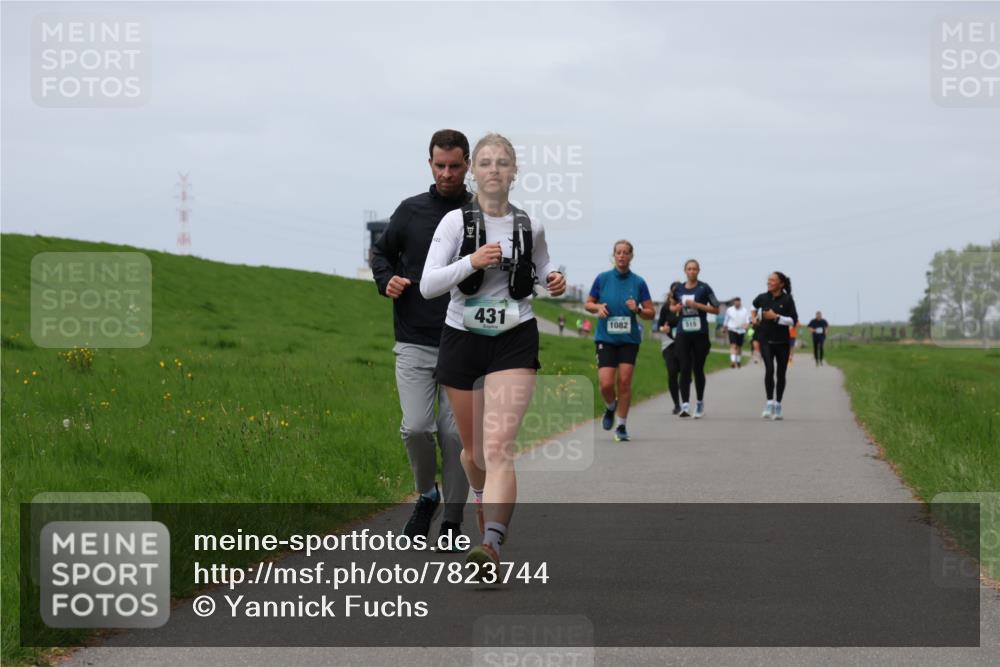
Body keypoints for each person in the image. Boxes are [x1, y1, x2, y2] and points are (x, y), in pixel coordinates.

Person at [420, 132, 566, 576]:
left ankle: (491, 544)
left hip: (514, 336)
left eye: (502, 163)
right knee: (473, 454)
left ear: (513, 172)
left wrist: (554, 279)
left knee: (499, 447)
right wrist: (473, 262)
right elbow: (428, 285)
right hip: (461, 337)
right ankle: (482, 499)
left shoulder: (530, 225)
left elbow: (543, 268)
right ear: (474, 170)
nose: (494, 170)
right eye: (485, 162)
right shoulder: (453, 224)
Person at [371, 129, 472, 549]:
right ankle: (427, 495)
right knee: (415, 428)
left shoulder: (481, 213)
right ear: (429, 164)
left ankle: (451, 521)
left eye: (454, 165)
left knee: (454, 436)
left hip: (465, 342)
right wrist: (386, 279)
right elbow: (381, 253)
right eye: (439, 165)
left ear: (467, 164)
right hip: (413, 338)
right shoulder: (410, 211)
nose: (447, 173)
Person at [585, 240, 654, 442]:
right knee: (606, 384)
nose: (622, 256)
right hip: (605, 338)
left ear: (631, 256)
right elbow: (588, 303)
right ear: (613, 255)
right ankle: (610, 406)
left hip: (629, 340)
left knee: (624, 383)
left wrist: (638, 309)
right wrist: (597, 308)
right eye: (618, 252)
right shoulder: (603, 279)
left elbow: (651, 313)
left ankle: (621, 426)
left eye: (626, 253)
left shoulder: (639, 282)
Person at [670, 259, 720, 418]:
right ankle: (685, 405)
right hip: (683, 333)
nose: (691, 271)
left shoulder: (704, 288)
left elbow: (716, 309)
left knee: (697, 369)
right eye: (689, 269)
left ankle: (699, 403)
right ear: (685, 271)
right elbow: (671, 305)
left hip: (700, 333)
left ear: (699, 271)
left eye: (694, 269)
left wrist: (698, 306)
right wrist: (676, 308)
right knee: (684, 368)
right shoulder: (678, 288)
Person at [752, 272, 799, 420]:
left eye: (772, 280)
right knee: (769, 369)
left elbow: (793, 320)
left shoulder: (787, 299)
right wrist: (754, 318)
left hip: (782, 342)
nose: (769, 282)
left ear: (781, 284)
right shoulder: (762, 297)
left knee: (781, 374)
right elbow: (754, 307)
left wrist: (776, 317)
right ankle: (769, 403)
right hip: (765, 340)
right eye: (768, 280)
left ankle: (778, 405)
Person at [657, 283, 683, 415]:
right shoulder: (665, 308)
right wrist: (664, 329)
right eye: (675, 292)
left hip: (684, 344)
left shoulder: (686, 306)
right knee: (672, 372)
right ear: (670, 293)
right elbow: (659, 325)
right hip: (668, 344)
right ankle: (677, 404)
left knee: (684, 373)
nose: (677, 294)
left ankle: (685, 402)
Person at [722, 297, 750, 368]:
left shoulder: (744, 310)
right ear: (734, 303)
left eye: (738, 302)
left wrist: (747, 325)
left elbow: (747, 320)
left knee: (739, 347)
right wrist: (724, 327)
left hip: (741, 330)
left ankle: (738, 361)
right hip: (732, 329)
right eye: (735, 302)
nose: (737, 303)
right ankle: (733, 361)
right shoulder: (729, 310)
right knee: (733, 345)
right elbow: (726, 319)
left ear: (740, 302)